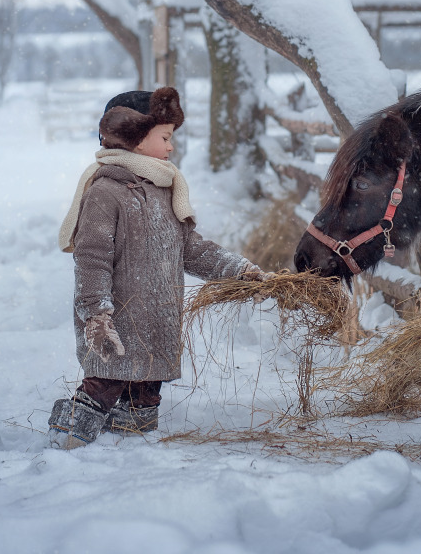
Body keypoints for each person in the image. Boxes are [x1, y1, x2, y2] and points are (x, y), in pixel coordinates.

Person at [48, 86, 264, 449]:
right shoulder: (106, 192)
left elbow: (190, 249)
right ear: (132, 139)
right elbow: (92, 257)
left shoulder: (165, 189)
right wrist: (97, 315)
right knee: (105, 381)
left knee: (146, 394)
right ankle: (67, 437)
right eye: (164, 137)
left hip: (159, 319)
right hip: (117, 321)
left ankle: (130, 443)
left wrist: (238, 269)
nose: (171, 147)